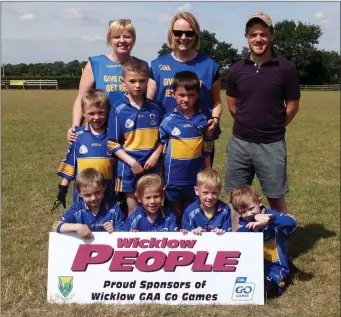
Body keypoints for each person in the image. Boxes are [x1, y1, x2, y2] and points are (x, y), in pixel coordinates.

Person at [225, 12, 300, 222]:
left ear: (271, 36)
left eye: (263, 34)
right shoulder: (236, 70)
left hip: (272, 144)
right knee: (235, 198)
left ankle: (280, 244)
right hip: (240, 143)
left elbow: (293, 105)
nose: (258, 39)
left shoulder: (286, 68)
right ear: (246, 37)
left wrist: (275, 125)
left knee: (276, 197)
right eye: (253, 35)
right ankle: (236, 244)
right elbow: (232, 103)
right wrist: (246, 123)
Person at [68, 19, 146, 144]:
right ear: (109, 39)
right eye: (116, 37)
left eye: (127, 36)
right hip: (102, 132)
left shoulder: (142, 65)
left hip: (133, 134)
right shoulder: (95, 63)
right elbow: (81, 98)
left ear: (134, 39)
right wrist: (75, 126)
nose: (122, 40)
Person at [147, 11, 222, 142]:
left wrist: (215, 120)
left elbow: (216, 101)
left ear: (196, 35)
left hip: (199, 136)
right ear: (171, 34)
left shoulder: (210, 66)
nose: (183, 37)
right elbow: (149, 101)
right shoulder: (157, 65)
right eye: (178, 33)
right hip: (165, 137)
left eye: (189, 33)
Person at [107, 58, 164, 215]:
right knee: (133, 211)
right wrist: (132, 162)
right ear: (123, 81)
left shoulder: (156, 109)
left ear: (147, 81)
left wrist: (155, 155)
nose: (137, 85)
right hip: (128, 168)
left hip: (151, 166)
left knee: (153, 208)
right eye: (132, 81)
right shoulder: (118, 109)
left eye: (141, 81)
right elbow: (112, 143)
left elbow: (164, 138)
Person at [159, 71, 213, 224]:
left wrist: (207, 171)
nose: (186, 99)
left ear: (197, 95)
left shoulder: (202, 120)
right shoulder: (168, 120)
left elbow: (207, 147)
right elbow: (162, 150)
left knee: (192, 212)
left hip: (194, 179)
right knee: (174, 213)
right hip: (173, 179)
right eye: (181, 95)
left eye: (190, 95)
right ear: (173, 94)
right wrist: (161, 177)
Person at [51, 89, 114, 211]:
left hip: (108, 194)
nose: (96, 117)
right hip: (84, 196)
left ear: (107, 112)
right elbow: (71, 164)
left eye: (101, 112)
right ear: (83, 113)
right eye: (91, 113)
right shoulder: (78, 136)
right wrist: (62, 190)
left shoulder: (113, 135)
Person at [231, 186, 296, 300]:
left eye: (251, 208)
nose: (248, 214)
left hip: (274, 269)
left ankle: (285, 277)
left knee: (262, 293)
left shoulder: (271, 216)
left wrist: (270, 221)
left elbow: (292, 223)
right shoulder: (243, 225)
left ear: (259, 202)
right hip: (252, 268)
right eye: (243, 212)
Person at [52, 168, 124, 238]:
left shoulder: (114, 209)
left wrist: (114, 231)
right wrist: (78, 227)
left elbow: (124, 234)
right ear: (79, 193)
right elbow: (55, 226)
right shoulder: (77, 209)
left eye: (97, 192)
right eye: (87, 195)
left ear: (104, 187)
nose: (93, 198)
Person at [182, 168, 232, 234]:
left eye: (214, 193)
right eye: (205, 192)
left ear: (219, 191)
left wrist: (222, 232)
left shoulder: (225, 210)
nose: (210, 197)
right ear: (196, 191)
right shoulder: (190, 212)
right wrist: (193, 232)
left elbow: (229, 233)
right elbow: (185, 235)